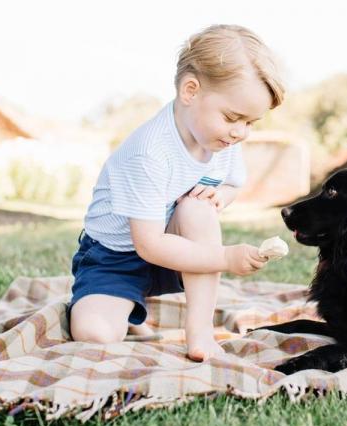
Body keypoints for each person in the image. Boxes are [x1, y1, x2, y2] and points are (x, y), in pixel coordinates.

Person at [67, 24, 285, 362]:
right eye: (233, 117)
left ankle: (199, 333)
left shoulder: (222, 139)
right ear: (190, 90)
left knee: (198, 210)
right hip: (116, 256)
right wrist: (226, 257)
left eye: (250, 123)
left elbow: (231, 184)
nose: (240, 132)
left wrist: (219, 198)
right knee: (96, 335)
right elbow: (148, 244)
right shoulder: (150, 152)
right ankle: (120, 306)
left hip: (176, 249)